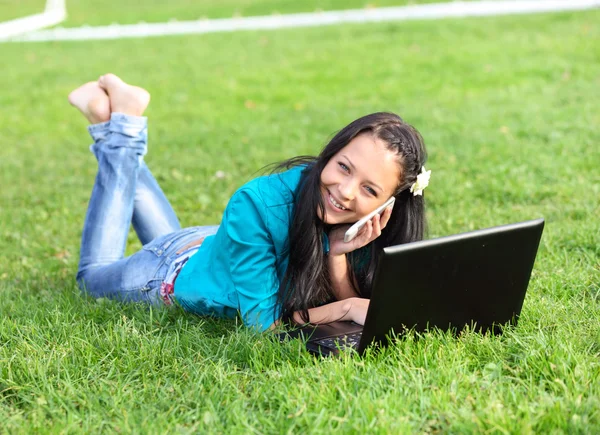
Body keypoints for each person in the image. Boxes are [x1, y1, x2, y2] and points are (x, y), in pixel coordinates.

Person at [69, 74, 429, 332]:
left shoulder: (367, 228)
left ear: (389, 204)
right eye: (343, 167)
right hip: (168, 271)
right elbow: (265, 324)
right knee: (90, 276)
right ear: (330, 153)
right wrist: (347, 307)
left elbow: (358, 306)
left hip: (220, 248)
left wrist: (337, 256)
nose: (347, 191)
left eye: (369, 190)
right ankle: (123, 126)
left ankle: (112, 121)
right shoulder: (258, 204)